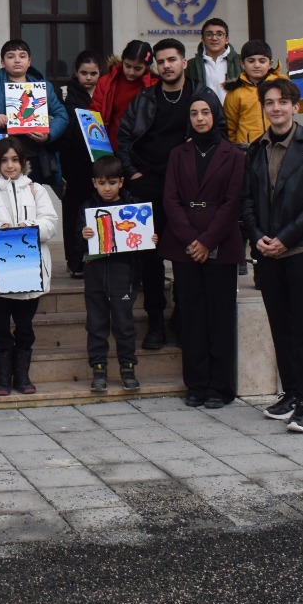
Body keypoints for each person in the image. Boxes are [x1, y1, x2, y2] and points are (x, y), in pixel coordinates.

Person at [242, 78, 303, 435]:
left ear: (295, 106)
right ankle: (292, 393)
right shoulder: (255, 149)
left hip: (302, 248)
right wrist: (258, 238)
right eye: (269, 102)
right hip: (267, 251)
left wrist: (286, 237)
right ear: (263, 108)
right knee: (280, 326)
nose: (276, 108)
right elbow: (246, 201)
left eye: (283, 102)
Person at [115, 38, 202, 351]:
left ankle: (180, 317)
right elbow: (123, 137)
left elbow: (217, 135)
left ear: (183, 62)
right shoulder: (145, 98)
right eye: (161, 61)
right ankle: (154, 324)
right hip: (148, 185)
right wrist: (132, 172)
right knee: (149, 258)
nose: (166, 66)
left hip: (188, 188)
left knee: (185, 256)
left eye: (172, 60)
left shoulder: (200, 95)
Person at [161, 91, 246, 408]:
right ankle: (196, 385)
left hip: (221, 245)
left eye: (205, 112)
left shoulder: (234, 155)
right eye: (194, 113)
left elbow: (233, 203)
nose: (199, 118)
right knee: (192, 317)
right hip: (184, 246)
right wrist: (190, 240)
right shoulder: (178, 154)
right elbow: (170, 199)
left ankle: (221, 387)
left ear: (215, 116)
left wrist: (207, 240)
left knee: (219, 318)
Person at [0, 139, 59, 396]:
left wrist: (27, 229)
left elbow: (50, 223)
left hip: (28, 270)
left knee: (24, 327)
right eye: (4, 160)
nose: (10, 165)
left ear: (23, 162)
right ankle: (2, 378)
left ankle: (21, 376)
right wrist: (0, 230)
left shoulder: (36, 190)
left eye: (15, 160)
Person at [78, 155, 146, 393]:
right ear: (94, 182)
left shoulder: (132, 207)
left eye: (112, 182)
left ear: (121, 182)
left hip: (123, 273)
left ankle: (128, 368)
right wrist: (83, 235)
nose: (107, 188)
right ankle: (98, 369)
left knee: (124, 323)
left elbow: (141, 239)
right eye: (102, 183)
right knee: (96, 323)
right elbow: (79, 246)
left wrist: (150, 239)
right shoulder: (87, 208)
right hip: (95, 273)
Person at [0, 39, 69, 185]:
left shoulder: (43, 87)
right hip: (1, 157)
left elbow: (62, 115)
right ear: (2, 62)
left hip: (34, 157)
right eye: (10, 56)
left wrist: (48, 135)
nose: (17, 60)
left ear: (29, 61)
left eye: (22, 56)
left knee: (34, 200)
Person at [57, 50, 105, 278]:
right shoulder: (66, 94)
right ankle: (75, 261)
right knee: (74, 212)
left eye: (93, 73)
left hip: (101, 160)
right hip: (73, 161)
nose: (88, 77)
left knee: (99, 209)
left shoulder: (106, 91)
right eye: (84, 73)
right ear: (76, 72)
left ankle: (99, 256)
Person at [223, 39, 303, 146]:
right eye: (251, 61)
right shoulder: (235, 91)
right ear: (242, 64)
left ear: (270, 63)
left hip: (280, 145)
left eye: (262, 61)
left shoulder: (283, 82)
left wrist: (299, 77)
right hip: (248, 150)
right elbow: (230, 128)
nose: (257, 65)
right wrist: (236, 151)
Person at [90, 40, 155, 145]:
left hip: (142, 149)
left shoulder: (154, 85)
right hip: (110, 146)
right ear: (122, 61)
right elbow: (94, 113)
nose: (131, 72)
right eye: (127, 66)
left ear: (147, 67)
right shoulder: (106, 82)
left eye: (137, 68)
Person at [198, 18, 243, 97]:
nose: (214, 38)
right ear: (203, 39)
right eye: (209, 34)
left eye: (219, 34)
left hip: (233, 109)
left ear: (227, 39)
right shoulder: (192, 65)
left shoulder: (241, 61)